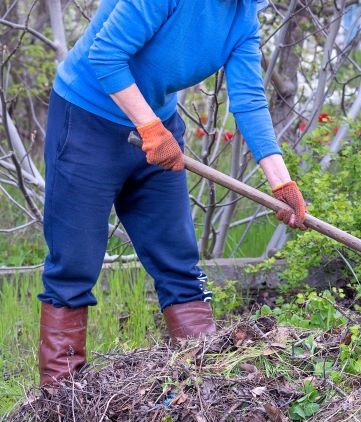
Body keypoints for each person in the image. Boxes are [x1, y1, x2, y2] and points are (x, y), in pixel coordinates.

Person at [38, 0, 307, 387]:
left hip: (159, 131)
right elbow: (106, 53)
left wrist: (281, 183)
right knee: (74, 262)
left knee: (178, 259)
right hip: (86, 122)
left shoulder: (243, 17)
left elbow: (249, 100)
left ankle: (208, 386)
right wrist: (148, 127)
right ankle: (60, 398)